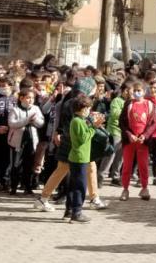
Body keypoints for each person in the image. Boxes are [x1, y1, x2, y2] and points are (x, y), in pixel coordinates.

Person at [64, 95, 101, 223]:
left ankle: (69, 210)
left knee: (73, 185)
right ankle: (77, 212)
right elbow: (83, 138)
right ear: (80, 109)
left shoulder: (80, 120)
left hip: (79, 157)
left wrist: (92, 124)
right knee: (80, 186)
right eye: (86, 109)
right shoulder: (77, 121)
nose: (88, 111)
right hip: (79, 158)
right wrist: (94, 128)